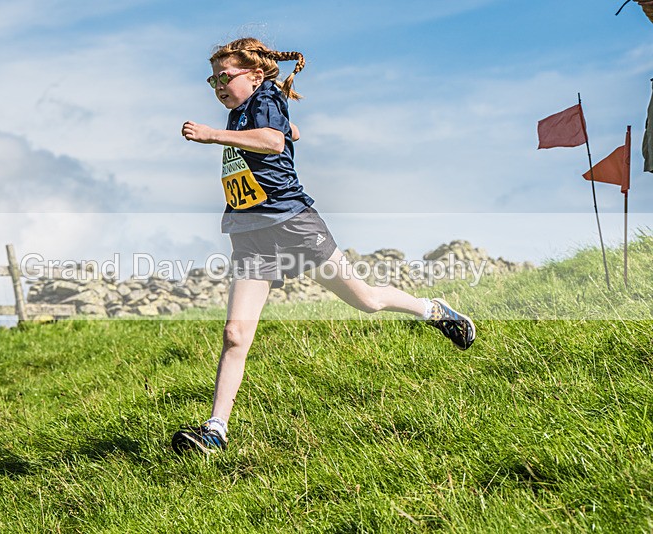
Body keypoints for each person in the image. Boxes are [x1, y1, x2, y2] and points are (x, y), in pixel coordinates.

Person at [172, 38, 475, 454]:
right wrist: (284, 126)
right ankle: (215, 432)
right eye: (213, 80)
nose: (219, 86)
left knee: (366, 300)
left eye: (226, 76)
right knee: (234, 332)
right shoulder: (248, 111)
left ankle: (435, 310)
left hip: (292, 224)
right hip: (250, 233)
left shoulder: (264, 99)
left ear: (255, 75)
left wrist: (213, 135)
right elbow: (288, 133)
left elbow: (275, 142)